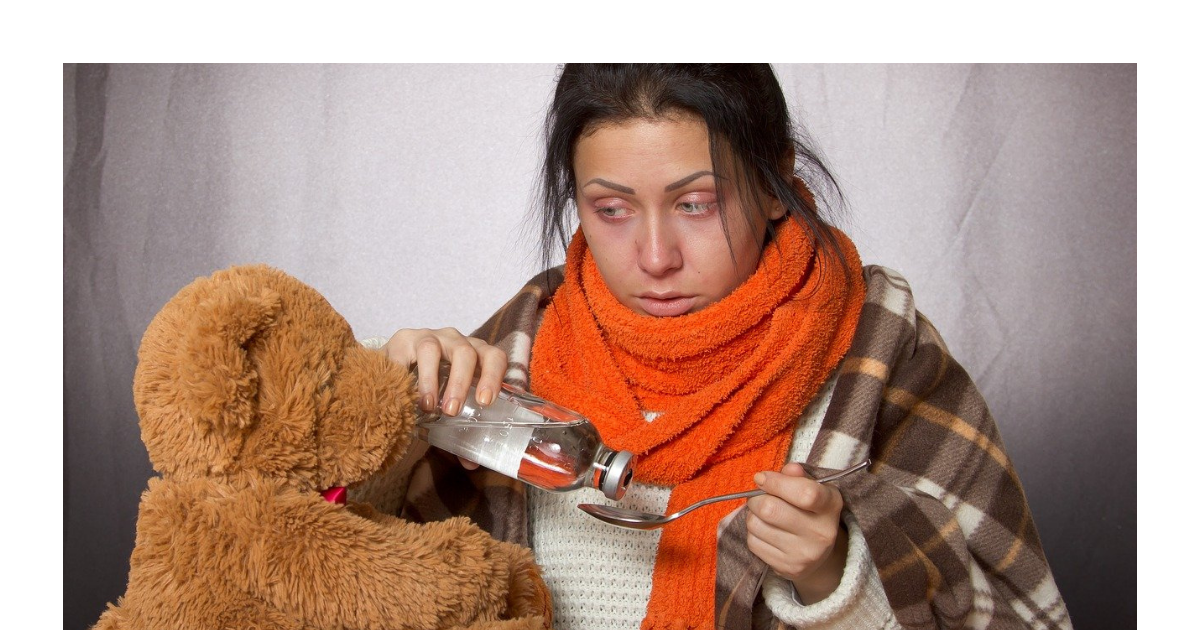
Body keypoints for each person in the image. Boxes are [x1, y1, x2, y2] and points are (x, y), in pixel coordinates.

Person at [370, 64, 1072, 630]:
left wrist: (837, 580)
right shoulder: (522, 339)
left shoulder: (879, 355)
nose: (654, 256)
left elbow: (1013, 615)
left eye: (696, 203)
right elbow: (334, 566)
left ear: (773, 183)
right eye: (610, 210)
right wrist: (383, 411)